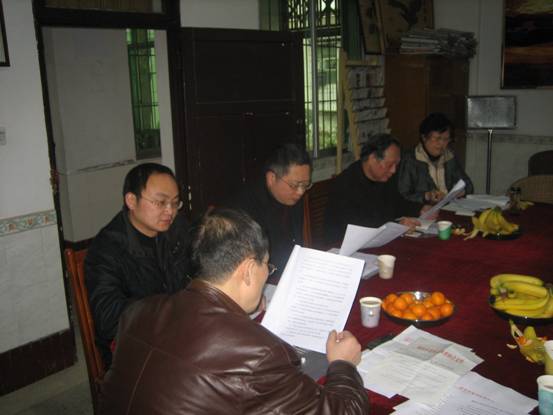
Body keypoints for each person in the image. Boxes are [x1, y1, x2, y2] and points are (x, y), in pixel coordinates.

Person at [99, 208, 369, 414]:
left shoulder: (138, 311)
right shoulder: (260, 353)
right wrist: (343, 365)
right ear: (248, 270)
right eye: (267, 266)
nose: (267, 274)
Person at [85, 163, 192, 368]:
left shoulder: (176, 228)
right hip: (134, 347)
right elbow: (108, 319)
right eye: (160, 202)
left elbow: (200, 262)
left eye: (175, 203)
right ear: (131, 200)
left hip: (176, 330)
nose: (170, 211)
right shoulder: (106, 250)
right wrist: (170, 309)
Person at [325, 133, 432, 244]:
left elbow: (397, 203)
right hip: (344, 246)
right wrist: (397, 227)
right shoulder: (345, 185)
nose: (393, 170)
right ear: (372, 159)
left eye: (396, 165)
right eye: (390, 165)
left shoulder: (383, 177)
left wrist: (420, 209)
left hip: (376, 241)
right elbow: (359, 227)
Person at [226, 143, 312, 276]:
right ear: (271, 178)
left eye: (305, 185)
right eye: (295, 185)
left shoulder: (293, 198)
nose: (300, 192)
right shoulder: (244, 208)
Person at [398, 112, 474, 204]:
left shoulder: (449, 157)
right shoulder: (410, 160)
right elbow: (402, 196)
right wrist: (426, 196)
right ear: (424, 137)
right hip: (424, 209)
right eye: (437, 138)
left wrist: (461, 191)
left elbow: (468, 185)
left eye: (446, 139)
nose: (441, 143)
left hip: (448, 206)